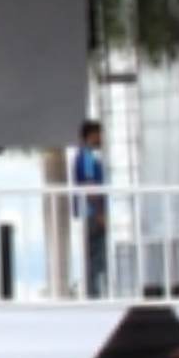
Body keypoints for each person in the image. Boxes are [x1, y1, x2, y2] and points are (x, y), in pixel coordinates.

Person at [73, 120, 108, 300]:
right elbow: (89, 185)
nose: (101, 138)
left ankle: (93, 293)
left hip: (90, 213)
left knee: (94, 257)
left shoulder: (86, 156)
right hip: (91, 214)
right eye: (98, 134)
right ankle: (93, 295)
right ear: (90, 136)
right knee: (95, 256)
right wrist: (100, 213)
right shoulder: (86, 156)